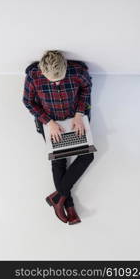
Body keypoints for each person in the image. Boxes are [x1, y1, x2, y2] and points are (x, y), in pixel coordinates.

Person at [22, 50, 94, 225]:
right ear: (42, 72)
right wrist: (49, 122)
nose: (58, 83)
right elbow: (28, 101)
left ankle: (58, 197)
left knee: (87, 155)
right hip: (52, 125)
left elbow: (87, 88)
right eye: (52, 81)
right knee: (59, 160)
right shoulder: (33, 75)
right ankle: (67, 205)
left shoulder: (77, 71)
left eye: (60, 79)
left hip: (75, 119)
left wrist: (78, 114)